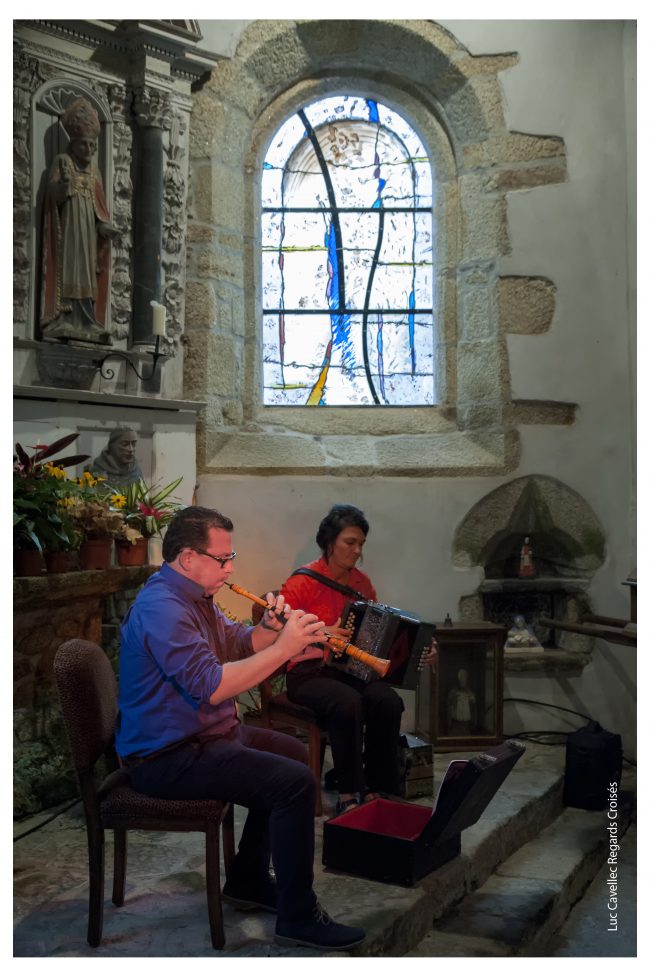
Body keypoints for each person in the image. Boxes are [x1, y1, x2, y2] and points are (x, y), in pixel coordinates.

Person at [115, 505, 365, 950]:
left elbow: (236, 641)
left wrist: (270, 629)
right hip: (167, 754)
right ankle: (298, 917)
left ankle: (248, 879)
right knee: (292, 783)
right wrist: (285, 648)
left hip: (204, 734)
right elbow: (212, 686)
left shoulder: (195, 596)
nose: (231, 568)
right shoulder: (163, 608)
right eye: (223, 558)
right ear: (188, 558)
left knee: (292, 754)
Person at [280, 503, 437, 815]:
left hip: (349, 671)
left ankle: (379, 788)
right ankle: (349, 792)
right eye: (350, 542)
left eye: (361, 544)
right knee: (348, 701)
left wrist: (420, 649)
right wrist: (321, 631)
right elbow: (277, 626)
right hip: (307, 673)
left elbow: (381, 635)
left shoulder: (362, 584)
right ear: (329, 542)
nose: (356, 550)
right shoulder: (302, 582)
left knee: (388, 701)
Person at [40, 96, 120, 344]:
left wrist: (105, 228)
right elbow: (53, 196)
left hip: (88, 234)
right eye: (83, 145)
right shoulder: (63, 162)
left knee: (86, 272)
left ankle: (87, 319)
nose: (89, 150)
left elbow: (99, 209)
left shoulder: (95, 172)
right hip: (67, 229)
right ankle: (64, 317)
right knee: (69, 268)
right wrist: (63, 185)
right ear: (73, 144)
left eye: (92, 146)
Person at [447, 668, 477, 735]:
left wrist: (471, 698)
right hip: (456, 719)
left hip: (466, 720)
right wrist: (455, 697)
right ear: (459, 678)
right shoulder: (454, 689)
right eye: (461, 677)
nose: (463, 679)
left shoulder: (469, 690)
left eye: (464, 677)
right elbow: (450, 700)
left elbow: (473, 701)